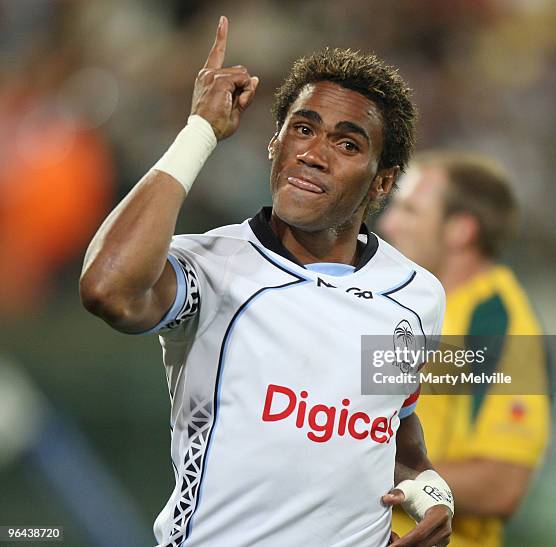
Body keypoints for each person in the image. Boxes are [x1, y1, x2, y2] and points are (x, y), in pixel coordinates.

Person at [80, 16, 453, 547]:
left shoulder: (417, 296)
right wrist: (200, 131)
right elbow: (107, 290)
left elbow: (395, 430)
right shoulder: (210, 268)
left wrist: (431, 493)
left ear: (383, 182)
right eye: (302, 129)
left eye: (347, 145)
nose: (313, 153)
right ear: (274, 144)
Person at [378, 151, 551, 547]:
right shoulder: (405, 301)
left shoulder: (497, 325)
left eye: (409, 210)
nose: (387, 223)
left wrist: (361, 465)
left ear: (460, 230)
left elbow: (502, 483)